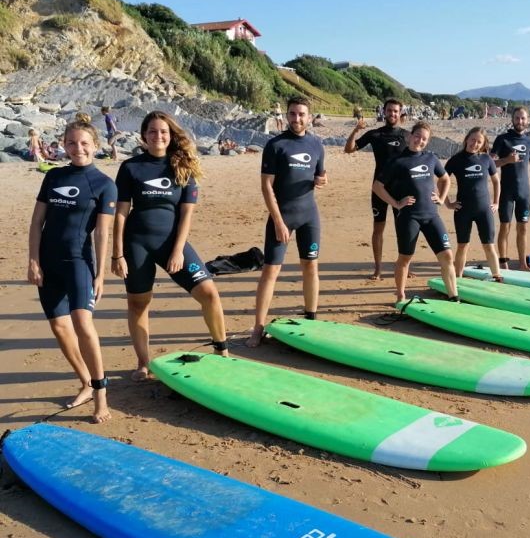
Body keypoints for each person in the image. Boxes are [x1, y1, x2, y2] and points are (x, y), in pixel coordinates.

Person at [112, 111, 229, 380]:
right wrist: (117, 254)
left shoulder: (183, 166)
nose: (158, 136)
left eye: (163, 131)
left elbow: (187, 214)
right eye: (152, 132)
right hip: (136, 244)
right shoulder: (131, 168)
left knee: (208, 293)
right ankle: (143, 362)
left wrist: (177, 250)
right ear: (143, 136)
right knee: (138, 305)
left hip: (172, 244)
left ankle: (222, 350)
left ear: (170, 135)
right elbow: (121, 213)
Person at [27, 120, 115, 422]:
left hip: (79, 262)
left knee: (82, 323)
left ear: (95, 145)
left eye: (84, 143)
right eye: (72, 143)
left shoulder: (104, 184)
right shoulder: (53, 176)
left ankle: (101, 394)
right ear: (64, 145)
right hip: (48, 263)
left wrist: (100, 273)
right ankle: (86, 383)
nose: (78, 148)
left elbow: (102, 233)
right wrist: (33, 260)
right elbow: (37, 222)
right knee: (59, 327)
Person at [247, 97, 327, 346]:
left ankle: (311, 317)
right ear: (287, 116)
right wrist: (279, 222)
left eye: (301, 114)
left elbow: (320, 176)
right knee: (270, 271)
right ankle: (258, 327)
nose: (297, 119)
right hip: (281, 217)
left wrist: (322, 181)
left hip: (309, 216)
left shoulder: (316, 145)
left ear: (309, 116)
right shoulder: (276, 145)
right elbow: (266, 187)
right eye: (292, 114)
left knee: (310, 267)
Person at [373, 121, 458, 303]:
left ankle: (453, 295)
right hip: (408, 217)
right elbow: (377, 186)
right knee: (405, 257)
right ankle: (401, 295)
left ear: (427, 141)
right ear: (409, 136)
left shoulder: (431, 158)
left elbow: (444, 178)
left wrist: (442, 199)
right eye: (417, 136)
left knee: (447, 255)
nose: (419, 140)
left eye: (424, 139)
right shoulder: (396, 161)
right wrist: (396, 203)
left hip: (431, 215)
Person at [344, 98, 409, 279]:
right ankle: (378, 268)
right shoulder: (375, 134)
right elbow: (349, 149)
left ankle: (403, 266)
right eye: (389, 110)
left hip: (401, 190)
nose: (392, 114)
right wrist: (355, 131)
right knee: (378, 229)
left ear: (400, 113)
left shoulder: (407, 136)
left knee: (403, 229)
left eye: (395, 111)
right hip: (379, 188)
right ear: (384, 112)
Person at [444, 127, 502, 280]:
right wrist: (448, 203)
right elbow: (442, 181)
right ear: (467, 139)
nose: (475, 144)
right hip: (463, 210)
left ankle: (497, 276)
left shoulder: (486, 159)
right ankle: (458, 278)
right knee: (463, 245)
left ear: (483, 144)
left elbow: (496, 181)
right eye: (472, 140)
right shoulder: (456, 160)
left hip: (484, 210)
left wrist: (496, 202)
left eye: (479, 142)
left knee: (489, 245)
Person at [491, 106, 530, 270]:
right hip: (506, 191)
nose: (520, 121)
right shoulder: (502, 139)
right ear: (512, 119)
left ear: (528, 121)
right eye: (517, 118)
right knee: (505, 226)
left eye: (523, 118)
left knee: (523, 228)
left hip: (524, 192)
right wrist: (506, 160)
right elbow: (490, 164)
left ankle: (522, 263)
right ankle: (503, 263)